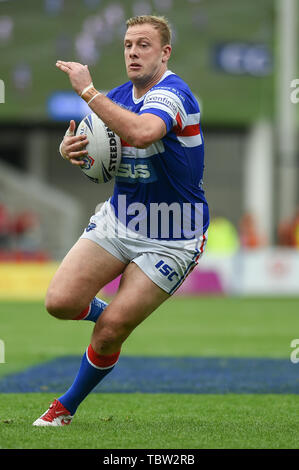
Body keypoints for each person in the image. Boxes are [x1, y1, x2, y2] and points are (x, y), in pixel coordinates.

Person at [33, 14, 209, 426]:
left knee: (110, 331)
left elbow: (143, 132)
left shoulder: (174, 94)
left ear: (164, 53)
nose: (133, 51)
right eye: (128, 44)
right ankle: (115, 315)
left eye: (144, 44)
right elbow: (99, 153)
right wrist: (71, 150)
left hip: (173, 236)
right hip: (121, 221)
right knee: (59, 303)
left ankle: (65, 407)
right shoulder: (116, 97)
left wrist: (88, 91)